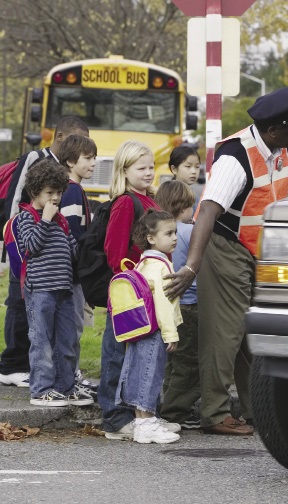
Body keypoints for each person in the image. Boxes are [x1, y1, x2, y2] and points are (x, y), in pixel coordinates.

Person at [164, 86, 288, 435]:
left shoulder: (279, 148)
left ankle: (257, 407)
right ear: (274, 130)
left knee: (256, 332)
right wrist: (192, 266)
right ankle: (214, 414)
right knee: (224, 332)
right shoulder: (235, 157)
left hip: (259, 251)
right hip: (225, 246)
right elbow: (206, 213)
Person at [0, 116, 89, 388]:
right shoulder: (36, 158)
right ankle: (11, 365)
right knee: (19, 301)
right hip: (25, 243)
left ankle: (39, 368)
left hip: (49, 252)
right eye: (75, 139)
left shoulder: (64, 173)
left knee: (43, 317)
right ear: (60, 138)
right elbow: (16, 197)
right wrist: (10, 243)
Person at [97, 140, 168, 440]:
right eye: (141, 168)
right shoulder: (126, 202)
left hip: (149, 294)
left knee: (137, 356)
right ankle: (114, 419)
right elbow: (114, 252)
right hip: (130, 295)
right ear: (124, 171)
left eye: (151, 167)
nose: (149, 173)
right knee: (116, 353)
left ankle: (141, 415)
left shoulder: (150, 200)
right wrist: (139, 279)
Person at [17, 159, 93, 407]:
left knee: (67, 341)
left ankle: (65, 386)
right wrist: (45, 220)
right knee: (42, 342)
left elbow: (72, 250)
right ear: (34, 192)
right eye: (49, 193)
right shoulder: (27, 217)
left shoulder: (60, 220)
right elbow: (31, 246)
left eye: (59, 192)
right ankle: (41, 390)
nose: (55, 198)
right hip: (40, 291)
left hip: (64, 290)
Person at [115, 209, 182, 444]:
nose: (174, 237)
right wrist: (170, 333)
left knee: (138, 372)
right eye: (169, 233)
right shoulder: (160, 266)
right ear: (151, 238)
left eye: (175, 232)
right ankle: (146, 426)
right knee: (149, 376)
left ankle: (144, 421)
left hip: (139, 328)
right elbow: (163, 304)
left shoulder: (143, 262)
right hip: (154, 330)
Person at [155, 180, 201, 429]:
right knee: (190, 362)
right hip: (190, 304)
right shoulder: (188, 231)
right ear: (182, 206)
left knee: (172, 361)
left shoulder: (163, 233)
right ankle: (176, 411)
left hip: (169, 305)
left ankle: (166, 404)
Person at [58, 134, 98, 396]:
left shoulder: (72, 188)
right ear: (71, 161)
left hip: (69, 274)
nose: (93, 163)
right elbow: (72, 234)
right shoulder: (72, 190)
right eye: (88, 158)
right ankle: (68, 380)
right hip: (71, 275)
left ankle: (69, 377)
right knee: (71, 327)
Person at [168, 146, 201, 214]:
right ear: (174, 169)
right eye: (188, 166)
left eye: (197, 167)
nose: (194, 171)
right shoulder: (167, 195)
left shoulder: (196, 197)